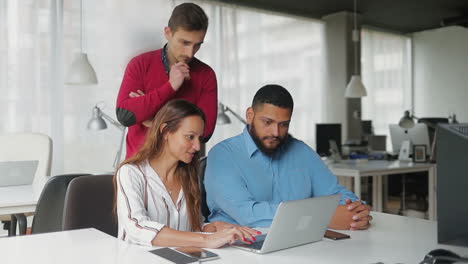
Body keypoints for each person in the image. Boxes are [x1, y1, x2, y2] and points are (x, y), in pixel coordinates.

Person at [204, 84, 372, 230]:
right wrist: (321, 218)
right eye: (267, 122)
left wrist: (356, 212)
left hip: (299, 242)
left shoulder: (301, 151)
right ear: (250, 115)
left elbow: (334, 193)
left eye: (283, 124)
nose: (275, 133)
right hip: (239, 246)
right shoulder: (223, 155)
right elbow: (247, 214)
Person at [114, 99, 259, 248]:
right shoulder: (130, 173)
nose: (197, 146)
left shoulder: (189, 175)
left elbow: (191, 230)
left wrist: (213, 228)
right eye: (190, 137)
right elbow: (136, 228)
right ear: (165, 131)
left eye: (199, 138)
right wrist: (207, 240)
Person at [116, 3, 217, 159]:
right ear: (168, 33)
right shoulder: (140, 64)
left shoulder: (206, 75)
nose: (190, 53)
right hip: (139, 169)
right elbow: (125, 115)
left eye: (197, 45)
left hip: (183, 173)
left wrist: (152, 119)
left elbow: (205, 132)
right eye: (185, 43)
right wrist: (170, 87)